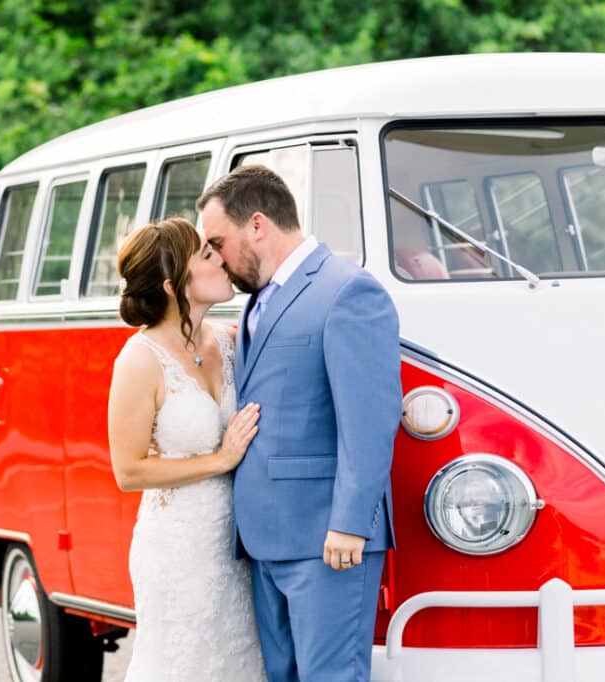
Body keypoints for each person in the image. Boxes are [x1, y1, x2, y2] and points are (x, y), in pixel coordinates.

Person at [198, 165, 402, 682]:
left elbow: (370, 419)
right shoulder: (253, 303)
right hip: (264, 540)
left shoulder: (348, 290)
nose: (215, 256)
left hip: (327, 538)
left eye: (218, 241)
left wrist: (351, 523)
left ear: (258, 225)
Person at [107, 217, 267, 682]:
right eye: (206, 254)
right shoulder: (139, 360)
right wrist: (220, 460)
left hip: (235, 547)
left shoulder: (228, 339)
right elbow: (128, 470)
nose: (221, 259)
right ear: (173, 285)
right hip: (176, 548)